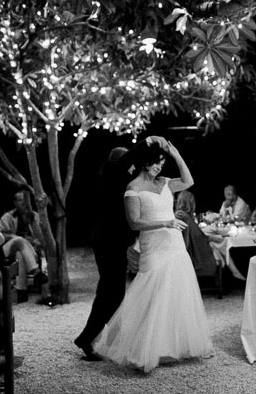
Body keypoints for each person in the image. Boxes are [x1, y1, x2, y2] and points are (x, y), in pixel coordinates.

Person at [92, 141, 213, 373]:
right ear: (145, 163)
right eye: (156, 163)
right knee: (151, 293)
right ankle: (142, 350)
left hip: (174, 245)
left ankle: (173, 346)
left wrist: (176, 154)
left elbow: (189, 181)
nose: (159, 167)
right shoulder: (133, 188)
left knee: (176, 294)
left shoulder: (166, 183)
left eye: (162, 163)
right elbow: (134, 222)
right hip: (154, 246)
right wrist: (165, 222)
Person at [74, 136, 169, 360]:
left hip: (111, 242)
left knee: (109, 293)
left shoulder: (116, 180)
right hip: (109, 243)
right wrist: (146, 142)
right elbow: (126, 160)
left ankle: (98, 339)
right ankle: (91, 339)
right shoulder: (111, 174)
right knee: (113, 293)